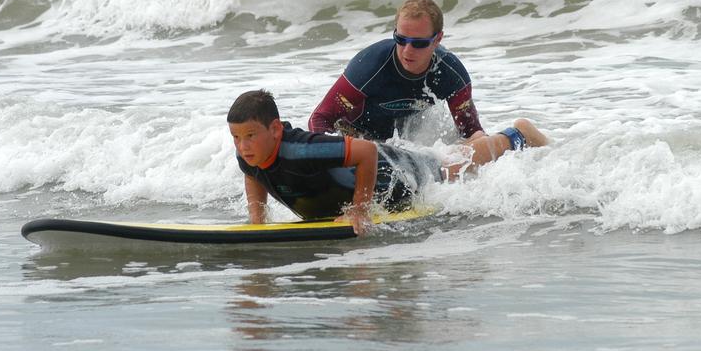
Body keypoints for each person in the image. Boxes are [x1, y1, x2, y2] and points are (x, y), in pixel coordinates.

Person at [229, 90, 548, 235]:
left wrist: (360, 209)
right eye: (236, 138)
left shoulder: (301, 150)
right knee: (449, 161)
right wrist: (258, 222)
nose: (243, 146)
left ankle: (516, 134)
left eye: (250, 136)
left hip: (393, 171)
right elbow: (253, 173)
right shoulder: (252, 153)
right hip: (374, 169)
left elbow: (366, 152)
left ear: (275, 129)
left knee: (451, 169)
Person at [309, 0, 483, 142]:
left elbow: (471, 133)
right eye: (400, 39)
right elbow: (319, 118)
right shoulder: (370, 66)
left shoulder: (451, 74)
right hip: (356, 138)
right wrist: (336, 157)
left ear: (438, 39)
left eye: (418, 43)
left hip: (404, 147)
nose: (407, 50)